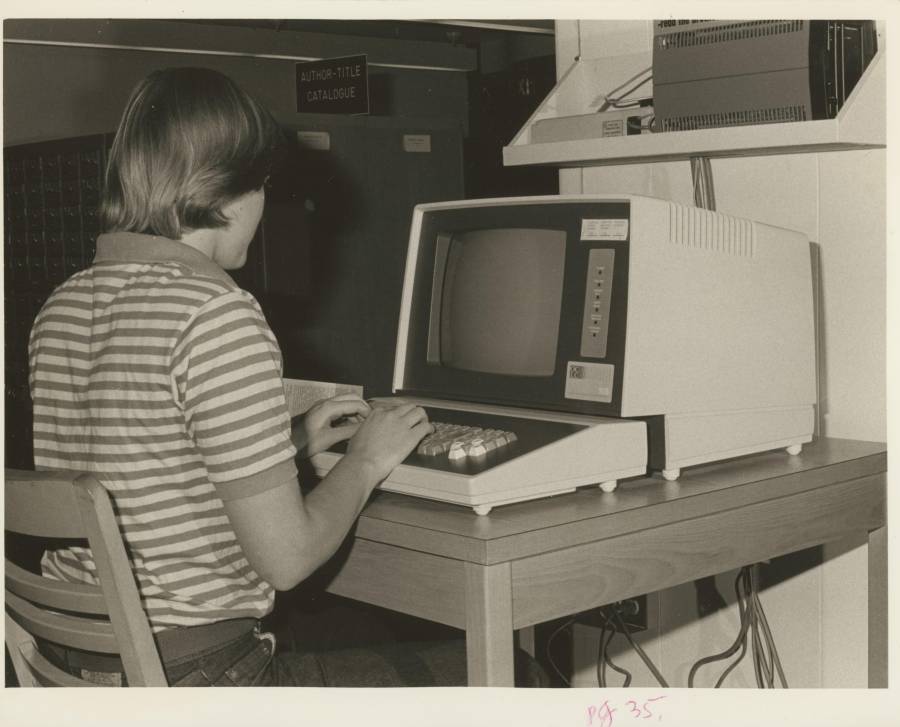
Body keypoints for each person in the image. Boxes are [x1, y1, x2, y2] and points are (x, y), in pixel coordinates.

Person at [28, 67, 545, 687]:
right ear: (224, 193)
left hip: (80, 668)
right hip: (200, 678)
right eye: (262, 185)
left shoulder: (62, 305)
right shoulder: (214, 313)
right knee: (516, 676)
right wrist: (366, 461)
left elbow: (137, 466)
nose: (265, 205)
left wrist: (291, 441)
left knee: (358, 633)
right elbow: (288, 561)